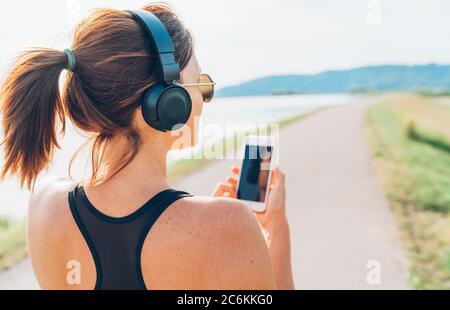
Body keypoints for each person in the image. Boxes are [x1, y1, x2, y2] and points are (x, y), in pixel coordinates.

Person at [0, 3, 294, 290]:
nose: (205, 99)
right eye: (199, 84)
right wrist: (272, 230)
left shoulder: (43, 201)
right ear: (167, 103)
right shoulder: (229, 224)